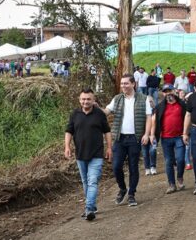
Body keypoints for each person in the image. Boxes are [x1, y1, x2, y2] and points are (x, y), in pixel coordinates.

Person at [103, 73, 153, 207]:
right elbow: (107, 111)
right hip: (119, 138)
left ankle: (131, 194)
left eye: (126, 83)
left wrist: (147, 134)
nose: (123, 86)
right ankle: (122, 188)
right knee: (116, 166)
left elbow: (149, 117)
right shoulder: (117, 98)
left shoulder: (144, 99)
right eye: (122, 83)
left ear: (133, 84)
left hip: (135, 138)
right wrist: (95, 109)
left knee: (133, 167)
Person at [64, 88, 112, 221]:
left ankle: (89, 208)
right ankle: (91, 205)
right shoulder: (75, 114)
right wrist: (67, 147)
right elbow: (69, 131)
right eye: (83, 99)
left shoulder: (99, 114)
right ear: (80, 100)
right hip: (80, 154)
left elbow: (107, 131)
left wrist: (109, 148)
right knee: (85, 182)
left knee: (92, 181)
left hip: (96, 153)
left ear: (93, 100)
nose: (86, 101)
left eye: (88, 99)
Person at [153, 84, 186, 193]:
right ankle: (171, 184)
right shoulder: (159, 107)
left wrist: (187, 133)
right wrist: (152, 135)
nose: (168, 93)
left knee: (181, 159)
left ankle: (180, 177)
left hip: (179, 137)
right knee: (168, 161)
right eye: (165, 91)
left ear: (174, 91)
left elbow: (188, 118)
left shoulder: (182, 104)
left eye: (170, 91)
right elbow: (154, 121)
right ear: (163, 93)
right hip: (166, 138)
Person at [143, 93, 158, 176]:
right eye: (148, 102)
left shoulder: (155, 111)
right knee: (145, 153)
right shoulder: (142, 111)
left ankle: (153, 166)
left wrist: (152, 135)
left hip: (153, 135)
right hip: (143, 135)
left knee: (152, 151)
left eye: (151, 101)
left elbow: (154, 122)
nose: (150, 103)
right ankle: (147, 168)